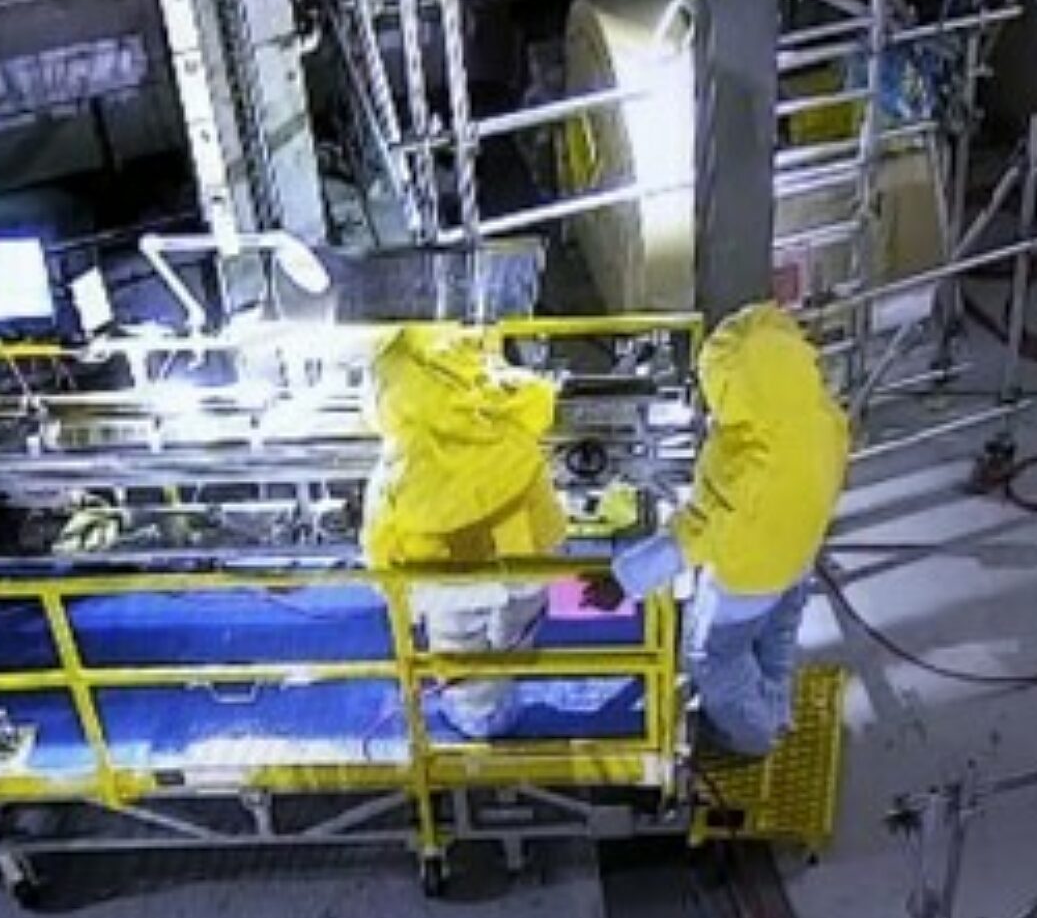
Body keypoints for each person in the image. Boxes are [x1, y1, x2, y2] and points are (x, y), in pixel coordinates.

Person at [608, 302, 848, 756]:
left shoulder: (745, 460)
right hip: (798, 555)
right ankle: (775, 706)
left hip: (749, 577)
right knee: (775, 640)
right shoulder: (820, 414)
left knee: (714, 659)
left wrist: (627, 578)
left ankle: (753, 735)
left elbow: (702, 530)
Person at [361, 326, 566, 739]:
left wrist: (391, 590)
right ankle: (512, 667)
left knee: (461, 653)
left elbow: (380, 546)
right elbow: (538, 404)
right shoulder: (508, 409)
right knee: (520, 625)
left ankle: (481, 719)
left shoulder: (399, 468)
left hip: (449, 579)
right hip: (527, 556)